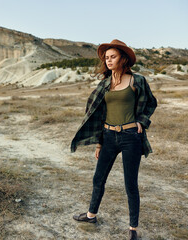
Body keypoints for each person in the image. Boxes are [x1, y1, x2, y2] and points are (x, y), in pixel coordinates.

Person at [70, 39, 157, 240]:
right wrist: (100, 142)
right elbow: (100, 115)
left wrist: (142, 122)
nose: (109, 61)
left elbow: (151, 103)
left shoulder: (137, 81)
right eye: (106, 58)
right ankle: (91, 215)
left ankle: (133, 228)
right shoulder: (104, 84)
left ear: (123, 58)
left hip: (130, 137)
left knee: (130, 184)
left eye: (113, 57)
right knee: (98, 178)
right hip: (108, 136)